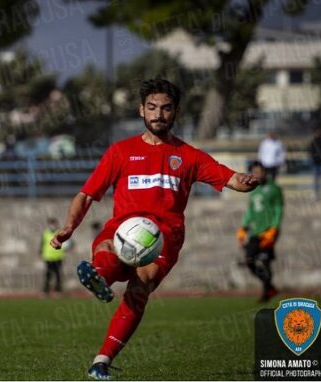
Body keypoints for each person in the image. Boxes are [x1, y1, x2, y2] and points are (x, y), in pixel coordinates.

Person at [50, 78, 259, 380]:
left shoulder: (190, 156)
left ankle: (101, 361)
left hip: (163, 239)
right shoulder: (121, 152)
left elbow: (232, 179)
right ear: (141, 111)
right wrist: (70, 226)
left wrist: (247, 180)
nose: (158, 114)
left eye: (165, 108)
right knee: (106, 249)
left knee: (140, 286)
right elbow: (85, 195)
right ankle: (100, 279)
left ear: (175, 112)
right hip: (122, 228)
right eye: (152, 108)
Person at [236, 161, 283, 303]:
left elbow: (278, 209)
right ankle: (270, 287)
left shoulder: (274, 188)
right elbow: (250, 210)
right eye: (254, 172)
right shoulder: (252, 189)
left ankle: (265, 293)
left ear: (264, 172)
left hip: (268, 231)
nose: (257, 175)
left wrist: (274, 228)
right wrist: (243, 227)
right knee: (249, 261)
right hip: (255, 232)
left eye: (260, 172)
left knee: (264, 261)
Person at [40, 218, 66, 295]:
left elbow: (66, 243)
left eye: (54, 223)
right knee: (48, 275)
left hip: (58, 256)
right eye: (51, 224)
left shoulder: (60, 233)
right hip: (48, 257)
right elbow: (42, 244)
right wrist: (41, 253)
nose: (52, 225)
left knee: (58, 275)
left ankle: (58, 291)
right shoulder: (45, 233)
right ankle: (45, 291)